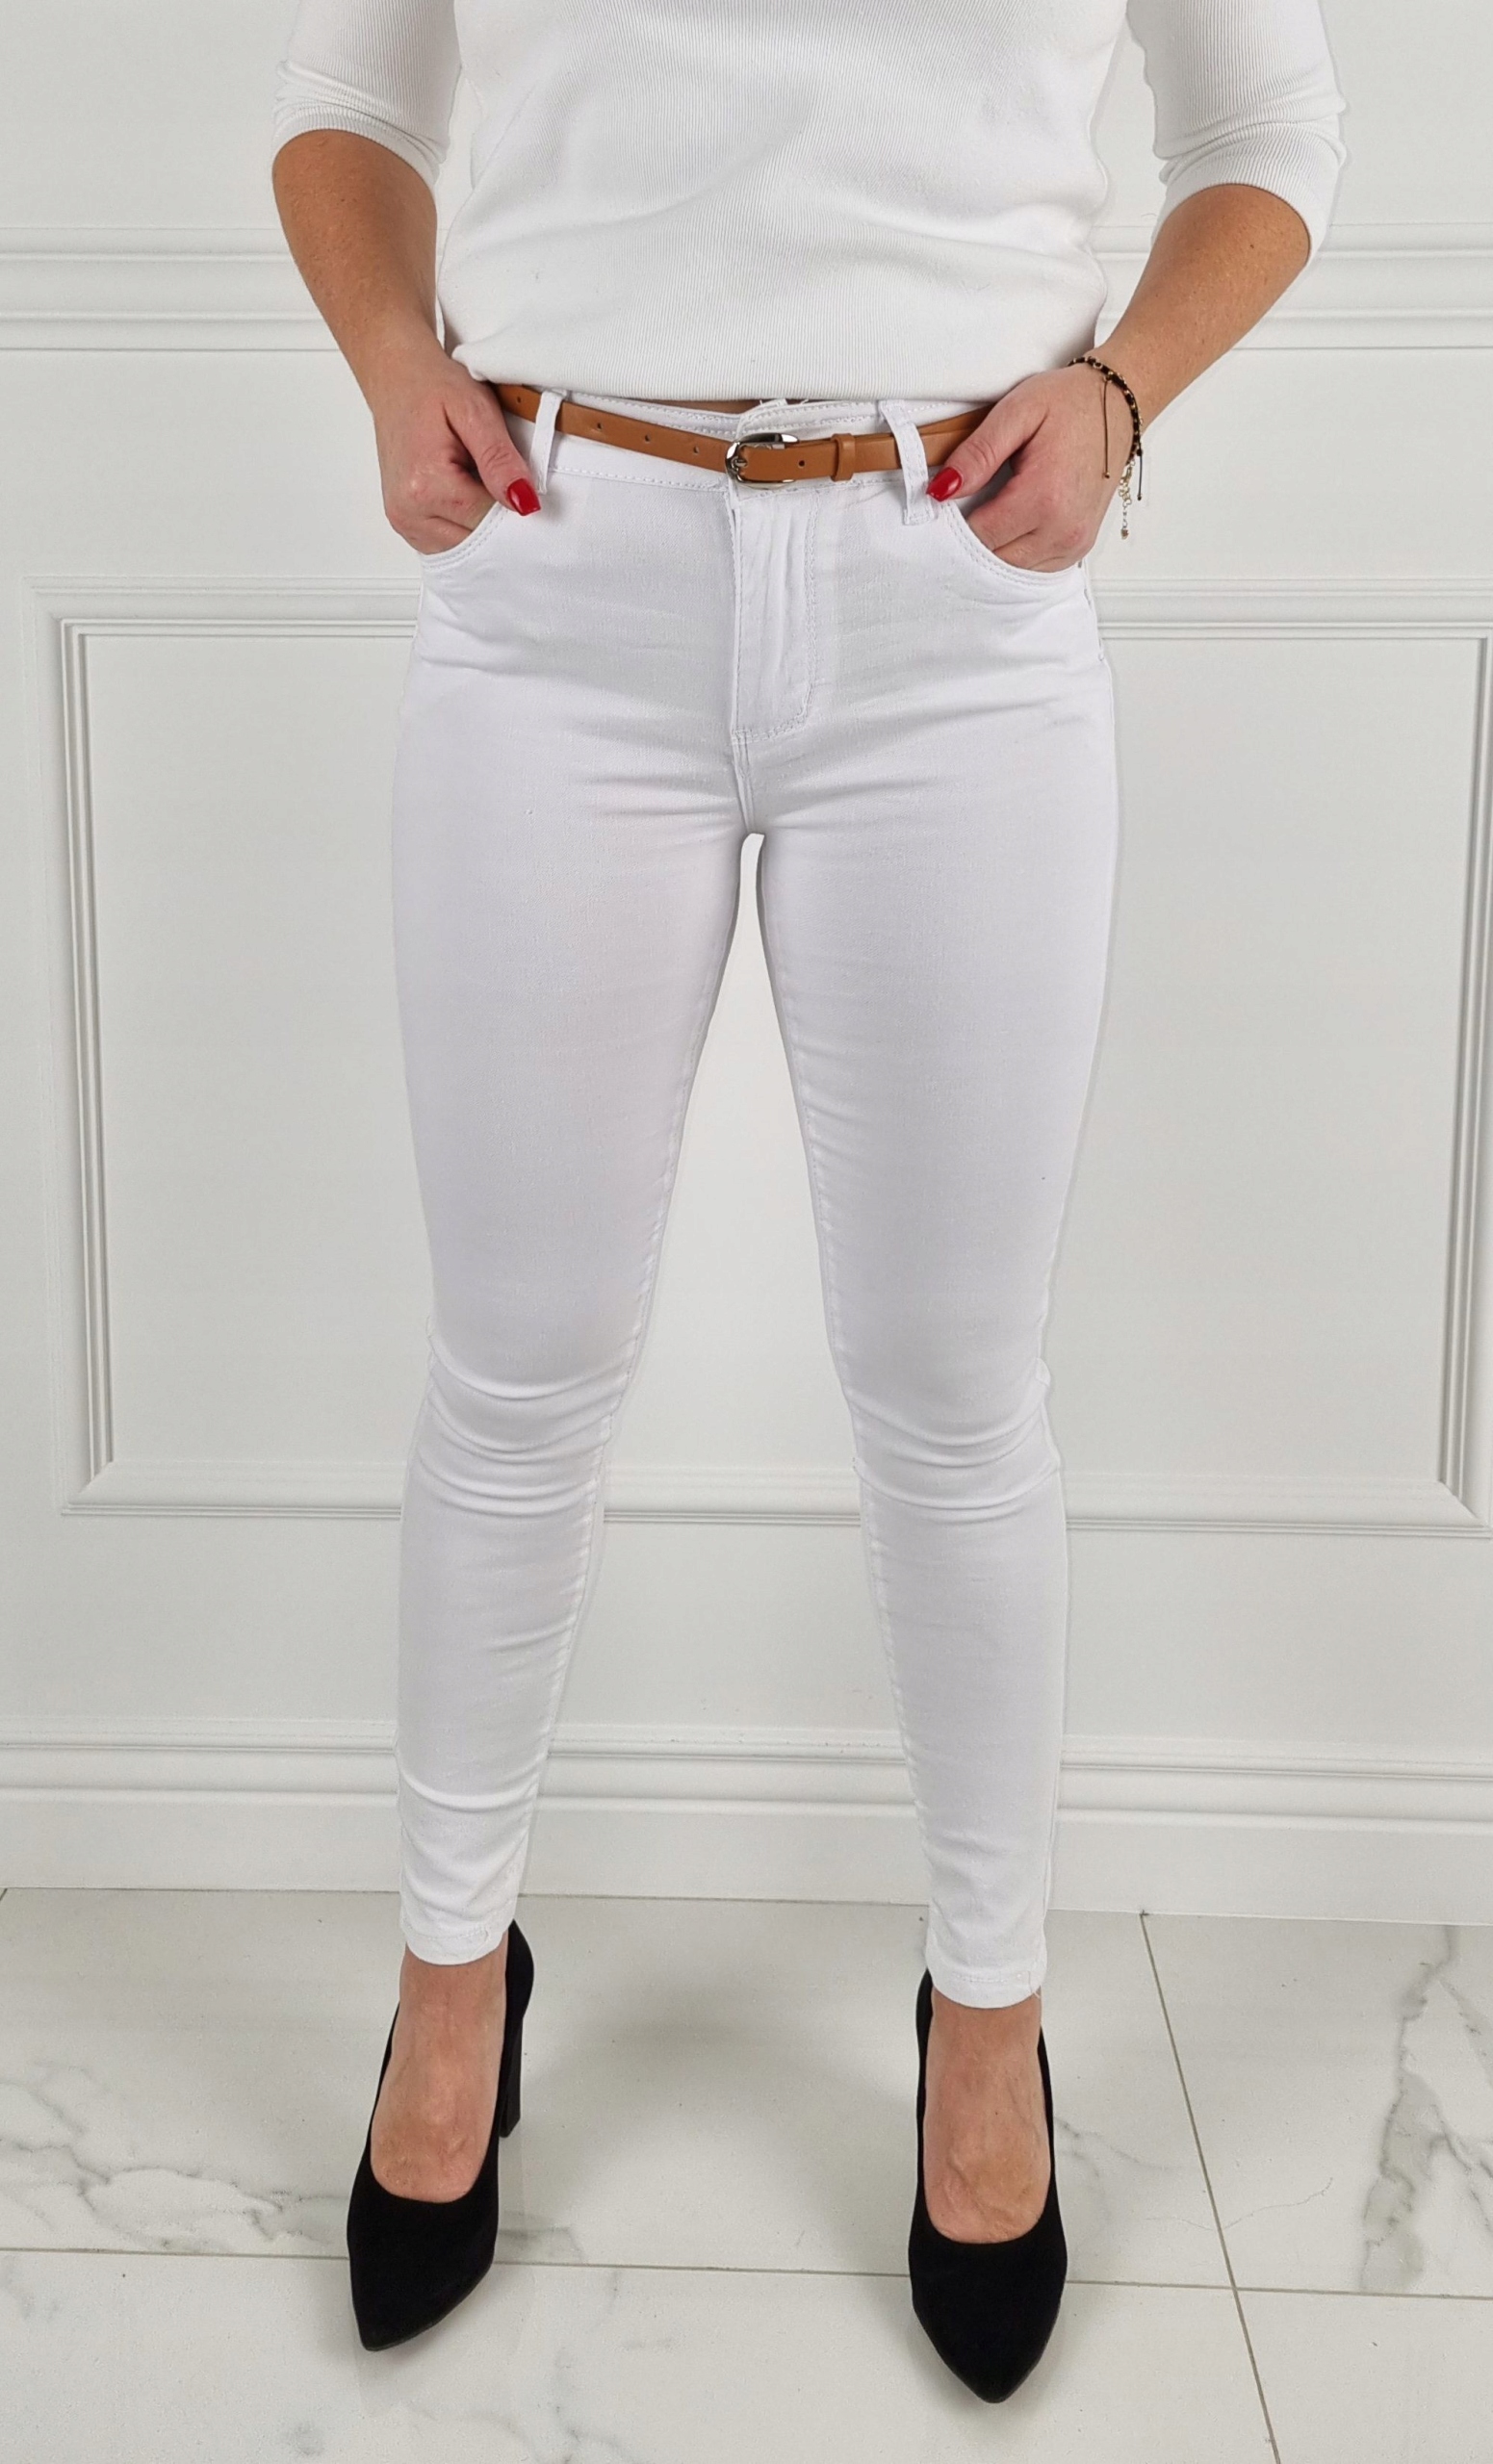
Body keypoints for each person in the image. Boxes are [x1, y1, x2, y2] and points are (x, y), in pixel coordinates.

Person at [270, 0, 1347, 2398]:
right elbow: (347, 107)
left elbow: (1268, 130)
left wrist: (1124, 392)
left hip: (948, 594)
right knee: (517, 1360)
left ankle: (990, 2011)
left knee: (952, 1383)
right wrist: (386, 361)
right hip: (558, 573)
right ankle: (450, 1979)